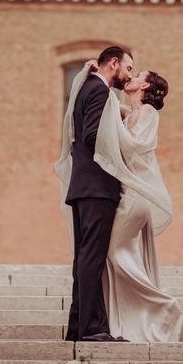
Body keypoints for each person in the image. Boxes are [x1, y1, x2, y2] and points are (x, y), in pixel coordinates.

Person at [101, 69, 183, 342]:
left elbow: (137, 145)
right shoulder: (131, 114)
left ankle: (166, 307)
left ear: (147, 85)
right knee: (118, 253)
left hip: (137, 195)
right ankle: (129, 318)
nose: (131, 78)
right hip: (128, 192)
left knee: (115, 252)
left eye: (137, 75)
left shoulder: (150, 113)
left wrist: (114, 121)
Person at [55, 46, 133, 342]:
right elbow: (92, 135)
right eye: (128, 68)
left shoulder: (86, 87)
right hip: (97, 186)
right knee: (92, 259)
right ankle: (91, 328)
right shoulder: (100, 91)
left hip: (84, 186)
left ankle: (79, 327)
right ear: (114, 63)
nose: (128, 75)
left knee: (85, 259)